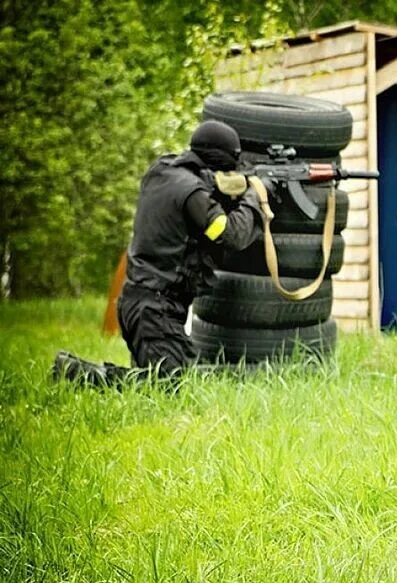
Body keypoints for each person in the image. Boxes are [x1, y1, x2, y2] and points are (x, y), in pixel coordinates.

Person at [53, 120, 264, 385]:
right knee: (171, 386)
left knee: (154, 380)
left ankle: (81, 374)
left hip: (137, 302)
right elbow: (232, 235)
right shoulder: (194, 193)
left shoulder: (162, 171)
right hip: (156, 309)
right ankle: (74, 374)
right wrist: (253, 199)